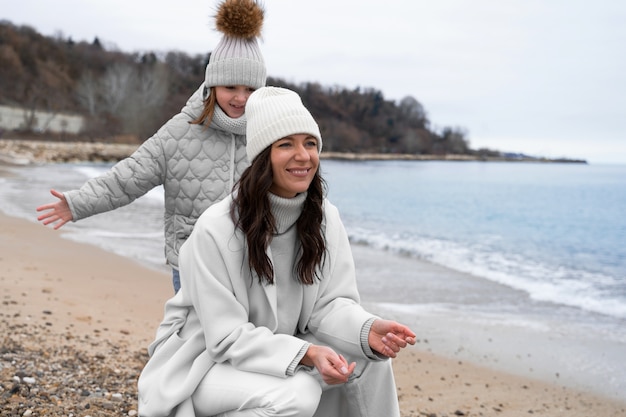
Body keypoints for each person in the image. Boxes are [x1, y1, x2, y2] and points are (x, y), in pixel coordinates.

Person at [137, 86, 417, 417]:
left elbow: (329, 306)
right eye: (286, 144)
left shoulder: (325, 218)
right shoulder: (216, 229)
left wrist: (366, 329)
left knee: (371, 363)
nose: (303, 155)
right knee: (297, 394)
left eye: (310, 143)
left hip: (277, 353)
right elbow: (227, 338)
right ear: (262, 156)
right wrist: (308, 353)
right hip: (201, 365)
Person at [35, 0, 267, 293]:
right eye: (230, 87)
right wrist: (77, 203)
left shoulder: (269, 136)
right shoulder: (180, 132)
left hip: (253, 270)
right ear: (211, 86)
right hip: (193, 267)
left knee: (248, 340)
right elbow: (127, 178)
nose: (240, 98)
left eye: (250, 89)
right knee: (190, 339)